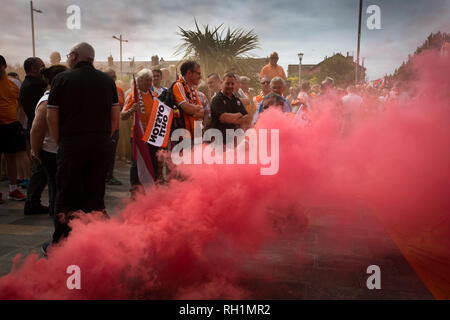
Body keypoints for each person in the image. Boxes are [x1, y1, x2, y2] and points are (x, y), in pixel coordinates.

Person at [46, 42, 119, 250]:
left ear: (75, 56)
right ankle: (93, 242)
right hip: (101, 143)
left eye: (69, 54)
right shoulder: (107, 81)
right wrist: (103, 138)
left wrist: (62, 142)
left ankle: (61, 243)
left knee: (67, 194)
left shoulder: (61, 79)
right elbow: (114, 118)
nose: (68, 58)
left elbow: (52, 117)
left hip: (72, 143)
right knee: (95, 193)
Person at [30, 64, 68, 217]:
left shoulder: (59, 97)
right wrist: (35, 151)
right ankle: (58, 225)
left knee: (60, 190)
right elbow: (36, 129)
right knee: (56, 190)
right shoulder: (47, 101)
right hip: (52, 152)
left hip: (60, 151)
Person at [121, 68, 159, 194]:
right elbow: (123, 115)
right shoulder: (133, 95)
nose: (149, 83)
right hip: (137, 135)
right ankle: (135, 188)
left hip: (152, 135)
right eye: (147, 80)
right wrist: (132, 110)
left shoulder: (155, 96)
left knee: (153, 160)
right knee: (136, 163)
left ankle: (152, 186)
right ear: (140, 81)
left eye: (151, 80)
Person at [19, 57, 49, 215]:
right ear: (33, 68)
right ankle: (32, 202)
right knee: (41, 167)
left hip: (35, 127)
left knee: (40, 168)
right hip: (40, 130)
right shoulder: (37, 85)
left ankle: (33, 201)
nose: (44, 69)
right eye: (41, 66)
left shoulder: (27, 84)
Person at [0, 55, 27, 202]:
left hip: (11, 125)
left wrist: (20, 124)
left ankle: (13, 189)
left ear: (4, 66)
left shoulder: (15, 83)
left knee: (11, 158)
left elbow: (21, 106)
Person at [210, 73, 250, 145]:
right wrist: (239, 115)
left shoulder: (236, 100)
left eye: (232, 84)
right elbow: (224, 118)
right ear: (222, 83)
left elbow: (247, 118)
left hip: (235, 140)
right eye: (227, 83)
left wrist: (233, 119)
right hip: (220, 141)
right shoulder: (217, 99)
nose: (230, 86)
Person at [172, 60, 204, 137]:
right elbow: (188, 109)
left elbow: (202, 113)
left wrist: (193, 110)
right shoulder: (178, 85)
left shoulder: (193, 89)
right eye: (198, 73)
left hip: (196, 133)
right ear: (189, 73)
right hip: (184, 135)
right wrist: (195, 109)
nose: (201, 76)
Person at [104, 69, 123, 186]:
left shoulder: (119, 90)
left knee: (112, 154)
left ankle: (109, 176)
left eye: (114, 76)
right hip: (104, 128)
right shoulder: (102, 89)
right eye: (111, 76)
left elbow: (122, 105)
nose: (113, 78)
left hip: (116, 127)